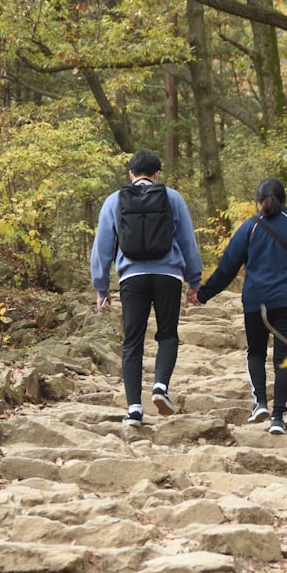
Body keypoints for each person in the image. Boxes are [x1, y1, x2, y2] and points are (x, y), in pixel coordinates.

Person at [192, 178, 287, 434]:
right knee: (283, 360)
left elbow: (228, 267)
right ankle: (278, 418)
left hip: (256, 302)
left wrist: (204, 294)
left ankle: (261, 404)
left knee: (255, 353)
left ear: (258, 201)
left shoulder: (249, 228)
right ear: (285, 198)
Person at [91, 151, 203, 426]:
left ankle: (134, 410)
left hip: (132, 278)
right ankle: (160, 387)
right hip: (168, 276)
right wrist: (194, 281)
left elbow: (102, 248)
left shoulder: (114, 200)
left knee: (132, 342)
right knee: (167, 335)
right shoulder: (173, 198)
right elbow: (188, 241)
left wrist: (101, 288)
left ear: (131, 174)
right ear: (156, 175)